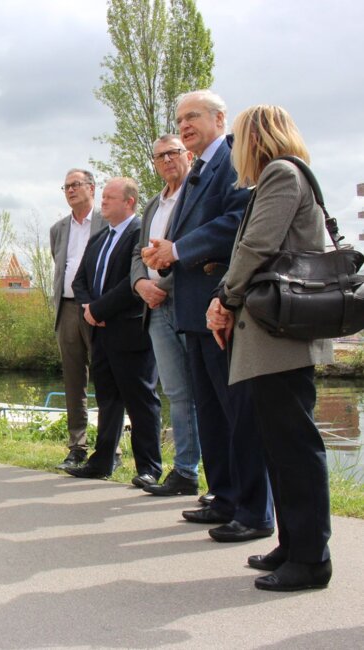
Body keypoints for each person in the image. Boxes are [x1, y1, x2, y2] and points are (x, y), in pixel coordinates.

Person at [206, 105, 333, 591]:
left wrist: (223, 297)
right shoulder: (276, 179)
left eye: (237, 138)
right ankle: (294, 542)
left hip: (279, 336)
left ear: (255, 137)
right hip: (270, 334)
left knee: (293, 445)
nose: (234, 149)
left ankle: (311, 558)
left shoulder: (281, 174)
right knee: (279, 444)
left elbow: (256, 247)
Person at [143, 90, 274, 543]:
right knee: (211, 410)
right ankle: (223, 494)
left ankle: (254, 509)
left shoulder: (234, 160)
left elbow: (235, 222)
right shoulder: (199, 168)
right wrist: (166, 252)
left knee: (237, 410)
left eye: (193, 116)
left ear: (220, 118)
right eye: (179, 119)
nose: (184, 126)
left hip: (221, 305)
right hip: (191, 306)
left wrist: (177, 249)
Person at [65, 178, 162, 484]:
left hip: (130, 331)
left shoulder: (140, 233)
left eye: (109, 197)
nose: (102, 201)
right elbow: (79, 280)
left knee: (140, 401)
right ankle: (102, 461)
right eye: (103, 196)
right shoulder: (99, 238)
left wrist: (100, 309)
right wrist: (89, 309)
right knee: (107, 399)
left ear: (129, 202)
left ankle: (149, 467)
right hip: (100, 331)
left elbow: (133, 282)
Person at [130, 136, 202, 496]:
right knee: (176, 391)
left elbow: (197, 246)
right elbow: (137, 255)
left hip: (190, 302)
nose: (167, 160)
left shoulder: (197, 196)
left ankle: (217, 477)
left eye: (173, 153)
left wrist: (166, 283)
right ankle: (185, 472)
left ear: (188, 156)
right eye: (159, 156)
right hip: (156, 309)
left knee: (207, 390)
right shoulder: (151, 207)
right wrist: (141, 284)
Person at [49, 169, 105, 470]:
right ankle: (77, 447)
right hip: (68, 309)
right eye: (66, 186)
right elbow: (60, 267)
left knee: (107, 379)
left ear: (92, 188)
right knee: (73, 382)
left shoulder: (106, 222)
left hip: (99, 309)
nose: (70, 190)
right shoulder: (58, 229)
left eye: (76, 185)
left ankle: (110, 448)